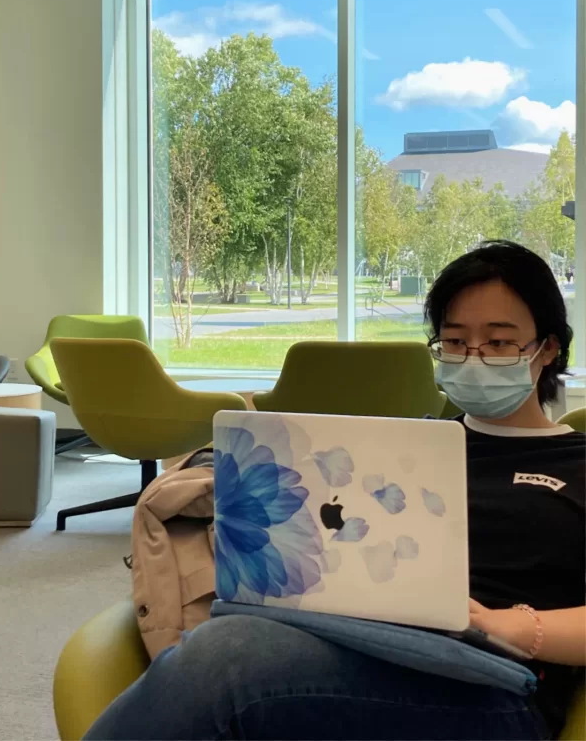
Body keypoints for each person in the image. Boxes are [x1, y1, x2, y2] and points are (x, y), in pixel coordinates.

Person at [85, 241, 585, 741]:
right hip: (362, 647)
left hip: (493, 685)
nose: (473, 358)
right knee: (227, 646)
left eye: (499, 343)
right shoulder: (405, 452)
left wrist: (511, 626)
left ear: (548, 348)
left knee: (226, 662)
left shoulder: (577, 461)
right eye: (454, 341)